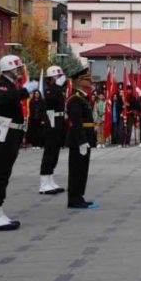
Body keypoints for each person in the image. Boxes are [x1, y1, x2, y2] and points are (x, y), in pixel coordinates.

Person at [0, 55, 37, 231]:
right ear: (9, 69)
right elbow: (4, 99)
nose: (20, 71)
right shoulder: (1, 84)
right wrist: (25, 91)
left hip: (10, 133)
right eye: (18, 68)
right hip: (3, 133)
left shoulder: (9, 85)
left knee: (4, 174)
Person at [64, 67, 97, 209]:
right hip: (79, 140)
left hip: (84, 138)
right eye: (87, 79)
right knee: (76, 169)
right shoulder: (75, 99)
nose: (90, 82)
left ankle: (79, 196)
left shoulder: (82, 97)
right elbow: (77, 123)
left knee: (82, 169)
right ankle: (74, 198)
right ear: (79, 81)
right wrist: (82, 141)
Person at [38, 66, 66, 195]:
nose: (62, 79)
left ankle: (50, 179)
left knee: (55, 152)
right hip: (51, 122)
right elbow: (51, 101)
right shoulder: (50, 90)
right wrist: (57, 87)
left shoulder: (58, 89)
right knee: (49, 152)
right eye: (59, 76)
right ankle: (44, 183)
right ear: (53, 78)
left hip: (58, 122)